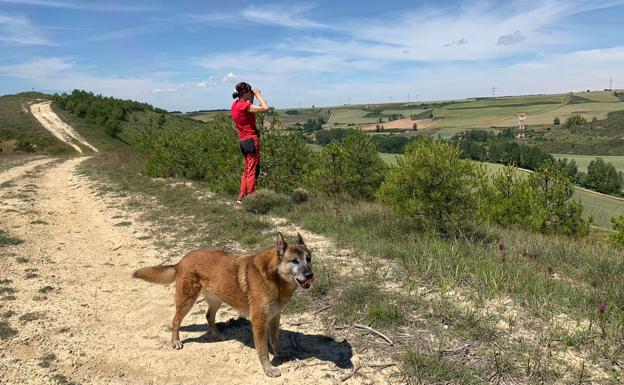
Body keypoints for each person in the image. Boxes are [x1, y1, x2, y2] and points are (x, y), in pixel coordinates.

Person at [230, 82, 270, 203]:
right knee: (252, 171)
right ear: (246, 93)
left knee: (247, 170)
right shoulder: (244, 106)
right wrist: (258, 95)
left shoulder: (236, 105)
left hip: (243, 141)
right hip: (251, 140)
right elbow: (265, 108)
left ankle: (241, 197)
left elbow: (248, 107)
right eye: (250, 92)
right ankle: (252, 199)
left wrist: (251, 97)